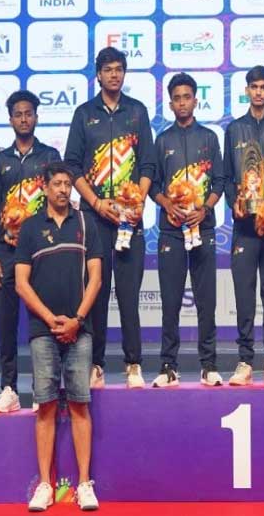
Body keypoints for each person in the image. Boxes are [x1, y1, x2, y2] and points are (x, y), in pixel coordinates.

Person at [64, 46, 155, 389]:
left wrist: (137, 200)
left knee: (129, 296)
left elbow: (148, 164)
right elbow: (72, 165)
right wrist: (96, 203)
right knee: (96, 294)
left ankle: (133, 364)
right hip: (95, 219)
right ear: (98, 75)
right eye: (108, 70)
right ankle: (96, 364)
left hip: (130, 220)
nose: (114, 75)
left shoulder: (137, 111)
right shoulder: (84, 114)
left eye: (119, 69)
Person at [16, 163, 102, 512]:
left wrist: (77, 320)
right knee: (46, 406)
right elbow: (21, 283)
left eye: (68, 184)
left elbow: (96, 278)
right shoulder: (30, 228)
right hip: (43, 330)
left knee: (80, 405)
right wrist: (51, 319)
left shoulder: (86, 223)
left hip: (79, 330)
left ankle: (84, 484)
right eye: (57, 184)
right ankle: (45, 486)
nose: (64, 189)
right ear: (45, 188)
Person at [0, 90, 61, 414]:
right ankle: (9, 388)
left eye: (29, 113)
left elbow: (58, 202)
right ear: (10, 120)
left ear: (36, 117)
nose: (24, 119)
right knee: (7, 322)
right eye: (18, 114)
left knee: (42, 322)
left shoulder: (50, 156)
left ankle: (44, 388)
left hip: (41, 251)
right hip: (6, 253)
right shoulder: (0, 160)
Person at [151, 73, 226, 387]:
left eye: (187, 97)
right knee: (170, 302)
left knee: (206, 302)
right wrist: (167, 204)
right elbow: (153, 184)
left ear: (195, 100)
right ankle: (168, 365)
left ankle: (209, 365)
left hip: (202, 229)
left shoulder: (209, 138)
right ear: (170, 104)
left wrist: (204, 209)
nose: (182, 103)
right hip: (170, 232)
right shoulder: (162, 140)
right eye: (177, 99)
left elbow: (220, 181)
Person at [223, 66, 264, 386]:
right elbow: (226, 177)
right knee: (244, 295)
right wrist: (233, 203)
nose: (259, 92)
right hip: (244, 229)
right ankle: (245, 361)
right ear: (247, 91)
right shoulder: (234, 130)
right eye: (254, 87)